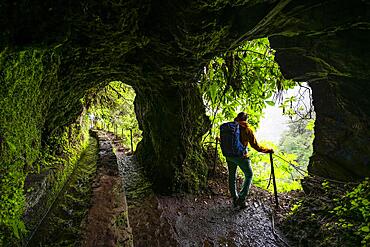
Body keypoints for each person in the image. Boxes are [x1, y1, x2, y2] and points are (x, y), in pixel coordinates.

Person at [223, 112, 273, 208]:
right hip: (241, 157)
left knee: (232, 176)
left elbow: (225, 140)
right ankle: (241, 199)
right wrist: (268, 150)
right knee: (249, 175)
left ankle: (234, 198)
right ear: (246, 120)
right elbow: (256, 146)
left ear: (237, 117)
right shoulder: (247, 130)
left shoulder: (230, 127)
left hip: (229, 155)